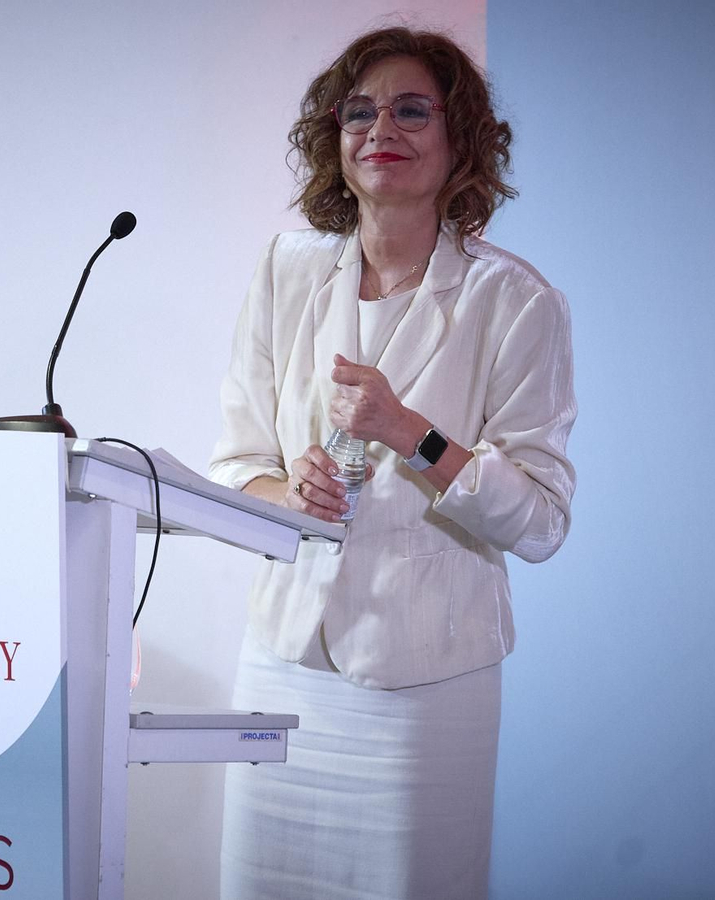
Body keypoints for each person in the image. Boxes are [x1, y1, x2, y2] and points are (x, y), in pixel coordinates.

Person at [209, 26, 576, 900]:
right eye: (360, 112)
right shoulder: (284, 270)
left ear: (461, 143)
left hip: (423, 686)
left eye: (413, 110)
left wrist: (415, 434)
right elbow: (235, 466)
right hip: (282, 665)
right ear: (333, 141)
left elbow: (542, 522)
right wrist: (287, 491)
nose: (382, 129)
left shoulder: (518, 302)